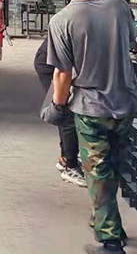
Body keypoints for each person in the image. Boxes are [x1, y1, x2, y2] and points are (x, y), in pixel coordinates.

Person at [44, 0, 137, 254]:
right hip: (125, 102)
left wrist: (58, 106)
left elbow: (62, 73)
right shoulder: (118, 5)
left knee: (97, 173)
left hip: (92, 109)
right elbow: (132, 43)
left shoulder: (63, 20)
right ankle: (105, 220)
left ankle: (111, 242)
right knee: (114, 166)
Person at [33, 39, 86, 188]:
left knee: (67, 111)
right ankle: (70, 166)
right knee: (66, 114)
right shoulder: (73, 25)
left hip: (60, 63)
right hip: (52, 66)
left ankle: (66, 158)